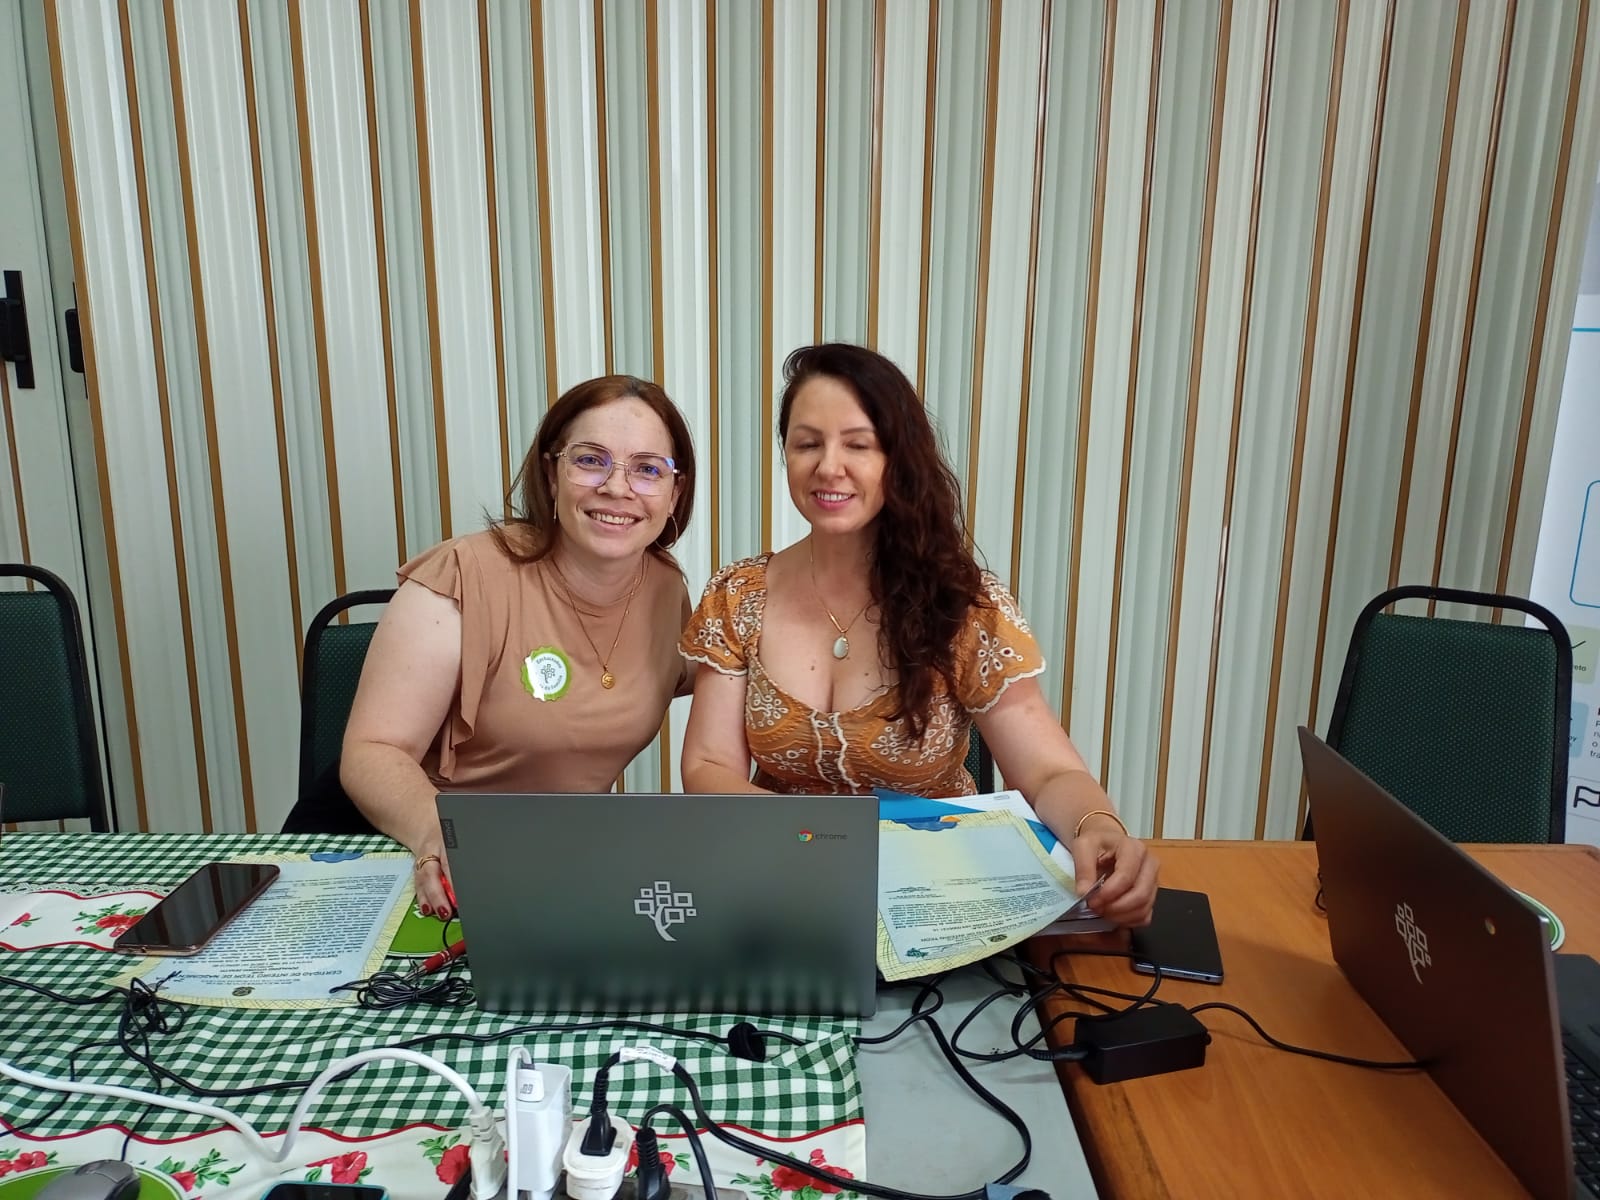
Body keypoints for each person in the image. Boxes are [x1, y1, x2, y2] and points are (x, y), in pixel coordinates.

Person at [678, 344, 1157, 926]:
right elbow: (708, 765)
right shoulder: (737, 594)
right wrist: (826, 844)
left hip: (936, 897)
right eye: (808, 444)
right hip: (782, 885)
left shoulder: (963, 604)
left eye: (858, 444)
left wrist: (1098, 826)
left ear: (898, 458)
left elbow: (1049, 771)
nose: (829, 466)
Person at [335, 376, 695, 915]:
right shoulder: (463, 575)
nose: (617, 487)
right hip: (419, 851)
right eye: (590, 460)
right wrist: (442, 836)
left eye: (647, 469)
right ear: (551, 475)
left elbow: (694, 674)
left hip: (556, 864)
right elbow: (373, 750)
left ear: (674, 493)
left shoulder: (666, 588)